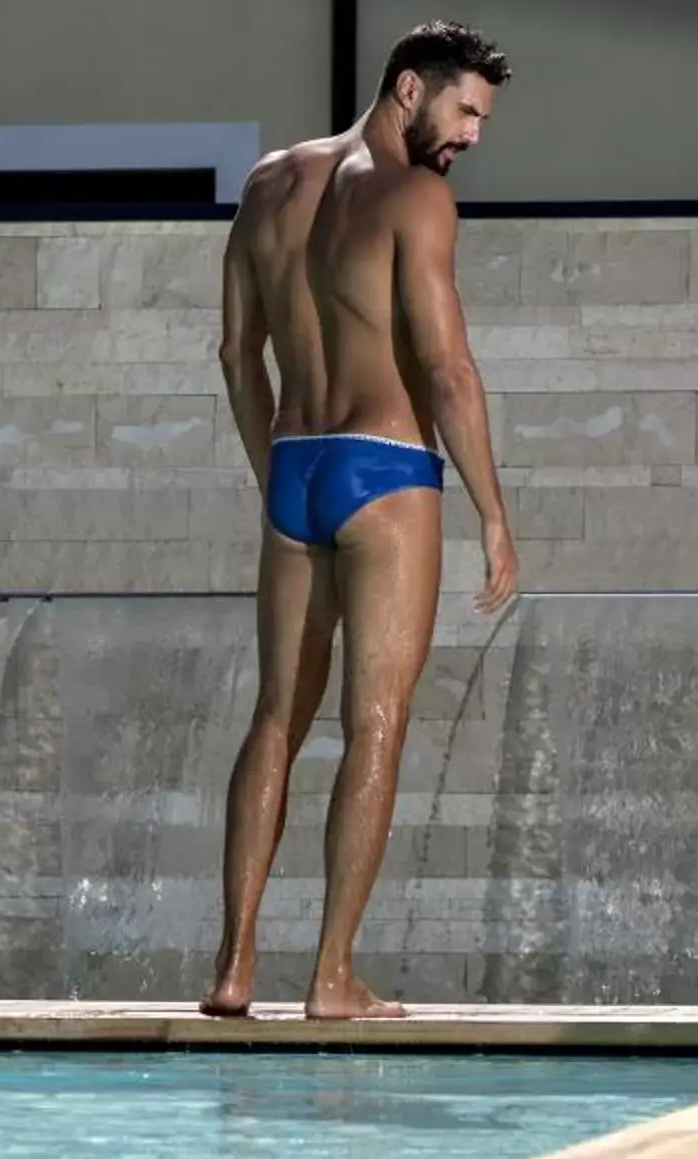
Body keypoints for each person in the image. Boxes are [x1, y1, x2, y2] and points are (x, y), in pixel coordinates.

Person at [196, 19, 519, 1022]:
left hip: (296, 466)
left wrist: (270, 474)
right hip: (385, 469)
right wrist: (493, 516)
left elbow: (235, 352)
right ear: (410, 88)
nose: (472, 136)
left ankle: (236, 967)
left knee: (274, 719)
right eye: (465, 111)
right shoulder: (416, 197)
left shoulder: (267, 185)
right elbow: (446, 369)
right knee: (374, 722)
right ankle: (332, 976)